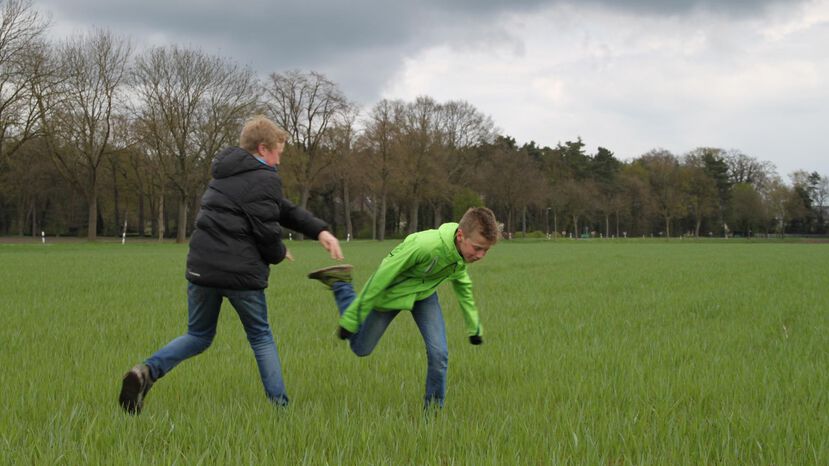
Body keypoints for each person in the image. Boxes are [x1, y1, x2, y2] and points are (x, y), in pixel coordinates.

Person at [118, 115, 343, 414]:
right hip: (240, 275)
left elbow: (280, 209)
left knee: (197, 335)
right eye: (277, 152)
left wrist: (319, 230)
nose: (278, 161)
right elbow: (267, 232)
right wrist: (279, 252)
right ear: (263, 149)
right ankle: (281, 410)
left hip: (202, 269)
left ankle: (145, 371)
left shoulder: (223, 175)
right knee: (261, 337)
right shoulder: (265, 179)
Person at [307, 207, 498, 409]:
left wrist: (474, 327)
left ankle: (432, 414)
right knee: (361, 348)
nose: (481, 255)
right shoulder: (425, 246)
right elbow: (381, 277)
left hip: (424, 295)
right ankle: (341, 284)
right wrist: (351, 319)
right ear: (461, 236)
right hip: (392, 293)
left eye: (486, 250)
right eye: (478, 248)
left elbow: (463, 285)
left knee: (439, 354)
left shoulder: (459, 255)